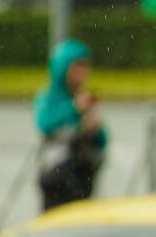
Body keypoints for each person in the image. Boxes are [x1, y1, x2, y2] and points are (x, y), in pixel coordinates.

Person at [35, 39, 107, 211]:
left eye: (85, 66)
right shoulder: (50, 97)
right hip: (55, 181)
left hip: (83, 180)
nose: (82, 72)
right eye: (77, 66)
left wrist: (95, 128)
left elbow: (102, 141)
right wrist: (74, 108)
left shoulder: (85, 97)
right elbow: (44, 124)